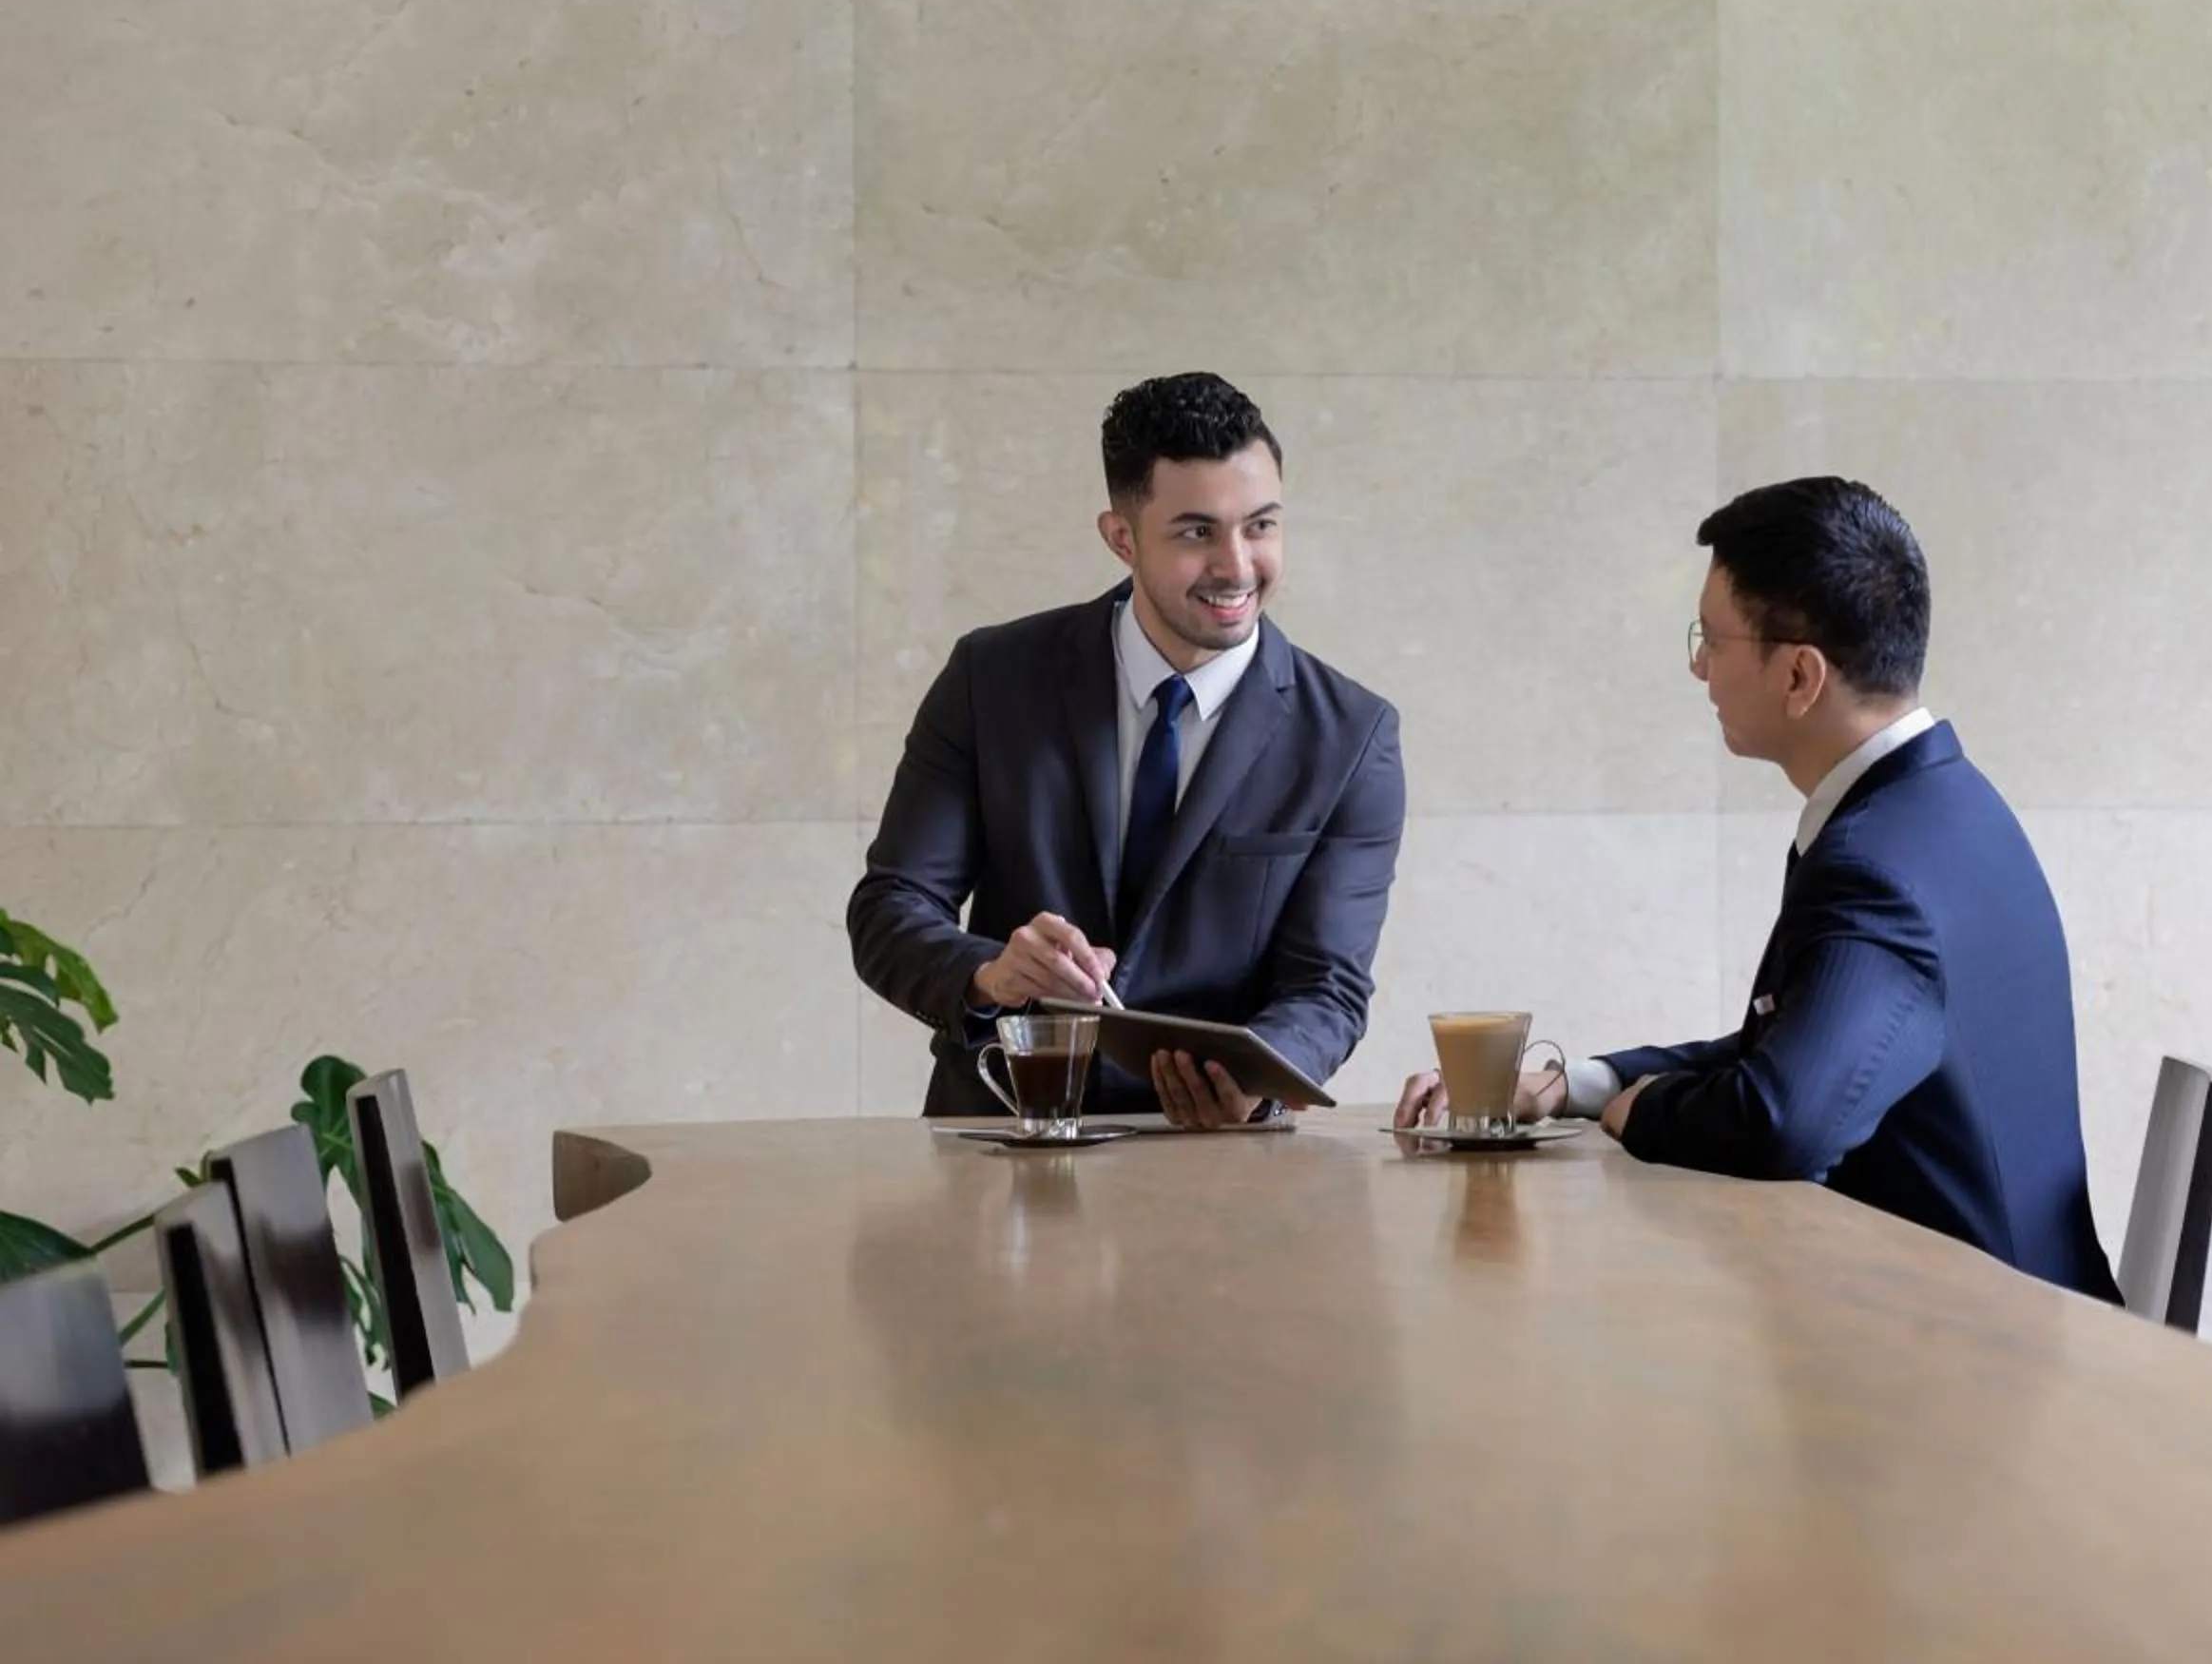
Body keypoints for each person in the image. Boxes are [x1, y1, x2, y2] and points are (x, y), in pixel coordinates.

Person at [1396, 477, 2119, 1300]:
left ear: (1800, 677)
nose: (1698, 665)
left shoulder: (1876, 863)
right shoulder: (1944, 807)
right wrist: (1578, 1088)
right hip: (1996, 1316)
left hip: (1976, 1354)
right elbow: (1791, 1057)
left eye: (1714, 638)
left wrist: (1644, 1110)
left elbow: (1785, 1122)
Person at [853, 374, 1405, 1128]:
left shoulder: (1350, 734)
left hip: (1224, 1165)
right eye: (1195, 532)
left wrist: (1259, 1075)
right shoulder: (992, 678)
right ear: (1121, 537)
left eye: (1261, 526)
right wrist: (990, 973)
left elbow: (1328, 987)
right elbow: (890, 908)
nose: (1238, 566)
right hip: (1004, 1137)